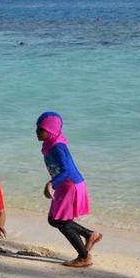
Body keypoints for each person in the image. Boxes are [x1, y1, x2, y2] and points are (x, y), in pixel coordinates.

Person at [36, 111, 102, 268]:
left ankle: (84, 257)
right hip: (64, 184)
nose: (36, 132)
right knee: (54, 220)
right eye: (37, 128)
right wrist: (55, 183)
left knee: (62, 223)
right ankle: (90, 235)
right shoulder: (50, 144)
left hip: (70, 184)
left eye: (41, 129)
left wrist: (51, 184)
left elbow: (66, 171)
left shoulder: (58, 147)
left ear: (51, 130)